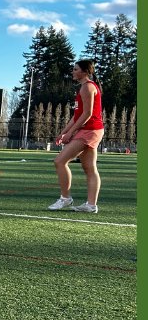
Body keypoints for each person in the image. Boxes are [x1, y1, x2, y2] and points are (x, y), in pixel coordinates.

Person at [48, 59, 104, 214]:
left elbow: (87, 114)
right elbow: (76, 116)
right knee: (90, 168)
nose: (72, 71)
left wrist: (71, 133)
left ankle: (65, 198)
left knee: (60, 161)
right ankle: (91, 205)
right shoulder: (83, 88)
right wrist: (64, 132)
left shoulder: (87, 87)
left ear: (85, 72)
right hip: (90, 130)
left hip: (90, 131)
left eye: (75, 69)